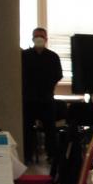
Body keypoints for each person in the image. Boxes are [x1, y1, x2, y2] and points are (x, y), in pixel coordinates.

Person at [22, 26, 62, 163]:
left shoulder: (53, 57)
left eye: (41, 36)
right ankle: (27, 156)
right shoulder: (24, 56)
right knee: (26, 129)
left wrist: (47, 85)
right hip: (28, 99)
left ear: (46, 39)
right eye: (36, 36)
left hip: (46, 99)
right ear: (32, 38)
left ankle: (52, 156)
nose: (39, 39)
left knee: (50, 129)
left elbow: (58, 75)